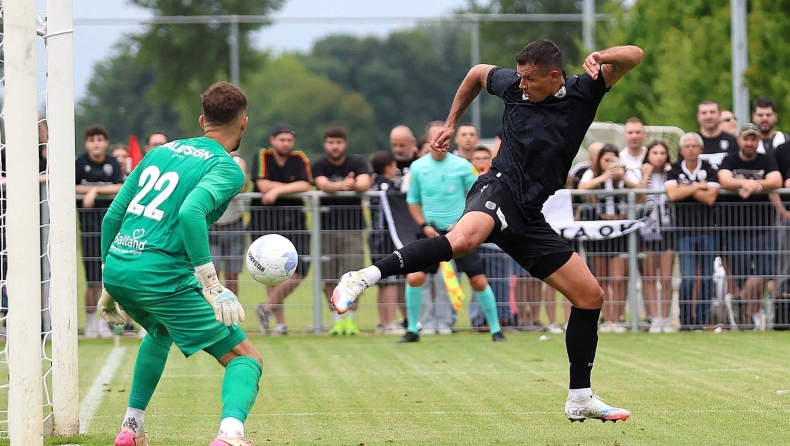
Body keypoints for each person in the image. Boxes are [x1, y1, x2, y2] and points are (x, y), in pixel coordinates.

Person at [332, 39, 642, 421]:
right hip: (497, 187)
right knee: (462, 241)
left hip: (529, 215)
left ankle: (580, 397)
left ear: (554, 76)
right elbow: (478, 74)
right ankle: (362, 277)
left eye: (529, 79)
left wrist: (603, 56)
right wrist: (450, 123)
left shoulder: (583, 90)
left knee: (590, 297)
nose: (521, 85)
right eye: (519, 77)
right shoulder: (514, 85)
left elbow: (635, 55)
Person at [99, 82, 261, 446]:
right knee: (246, 359)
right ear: (244, 123)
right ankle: (230, 435)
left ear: (203, 120)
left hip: (120, 264)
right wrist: (212, 285)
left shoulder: (161, 151)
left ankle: (131, 428)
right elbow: (191, 213)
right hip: (160, 275)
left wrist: (109, 281)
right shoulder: (227, 168)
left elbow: (112, 217)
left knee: (160, 331)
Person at [397, 145, 505, 342]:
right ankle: (412, 330)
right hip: (429, 232)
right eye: (436, 139)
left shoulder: (463, 166)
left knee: (478, 281)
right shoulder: (417, 167)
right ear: (430, 142)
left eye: (444, 140)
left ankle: (496, 330)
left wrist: (462, 221)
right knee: (414, 277)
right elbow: (412, 200)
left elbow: (478, 195)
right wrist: (423, 225)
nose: (440, 144)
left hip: (460, 231)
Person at [718, 123, 783, 330]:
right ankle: (748, 319)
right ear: (739, 140)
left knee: (766, 271)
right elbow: (724, 180)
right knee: (741, 274)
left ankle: (739, 300)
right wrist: (745, 183)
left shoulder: (766, 159)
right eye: (746, 138)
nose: (749, 143)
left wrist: (756, 185)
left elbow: (776, 180)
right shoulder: (729, 159)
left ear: (758, 141)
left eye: (753, 139)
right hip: (735, 228)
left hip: (763, 226)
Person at [249, 125, 312, 336]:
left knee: (302, 267)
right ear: (273, 140)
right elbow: (262, 184)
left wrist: (276, 190)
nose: (286, 144)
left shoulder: (299, 158)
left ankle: (266, 308)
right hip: (265, 221)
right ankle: (280, 324)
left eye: (289, 140)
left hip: (295, 222)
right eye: (282, 140)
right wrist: (284, 188)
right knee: (271, 271)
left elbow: (305, 184)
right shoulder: (262, 155)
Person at [312, 126, 372, 335]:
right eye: (331, 142)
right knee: (329, 278)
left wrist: (349, 185)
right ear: (325, 144)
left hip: (353, 229)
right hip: (325, 230)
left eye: (338, 142)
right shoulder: (319, 165)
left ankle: (351, 321)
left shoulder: (357, 162)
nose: (335, 146)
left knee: (354, 277)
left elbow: (364, 184)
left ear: (345, 144)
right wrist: (345, 185)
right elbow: (322, 185)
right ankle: (337, 320)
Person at [665, 132, 720, 330]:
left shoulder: (710, 168)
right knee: (688, 277)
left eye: (694, 146)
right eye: (686, 146)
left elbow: (710, 198)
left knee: (706, 277)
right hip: (684, 232)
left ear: (700, 149)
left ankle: (701, 321)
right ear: (681, 150)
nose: (690, 149)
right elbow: (673, 195)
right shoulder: (673, 169)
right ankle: (686, 320)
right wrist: (698, 186)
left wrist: (686, 188)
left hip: (708, 230)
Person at [76, 125, 124, 338]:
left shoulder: (112, 163)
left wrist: (94, 190)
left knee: (109, 278)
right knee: (92, 280)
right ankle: (89, 323)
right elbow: (70, 186)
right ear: (86, 143)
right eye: (91, 140)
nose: (96, 143)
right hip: (88, 229)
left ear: (106, 143)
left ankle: (105, 322)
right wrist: (89, 191)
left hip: (112, 230)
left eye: (100, 139)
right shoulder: (80, 163)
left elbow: (120, 186)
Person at [578, 144, 628, 333]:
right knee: (601, 278)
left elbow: (640, 191)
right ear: (599, 161)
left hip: (621, 232)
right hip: (598, 232)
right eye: (606, 160)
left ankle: (618, 318)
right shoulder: (592, 174)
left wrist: (622, 177)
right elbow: (582, 188)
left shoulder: (626, 175)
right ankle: (607, 319)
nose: (610, 164)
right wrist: (605, 176)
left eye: (613, 160)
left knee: (618, 278)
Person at [629, 140, 676, 333]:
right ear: (648, 155)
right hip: (646, 229)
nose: (659, 156)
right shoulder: (638, 173)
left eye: (662, 153)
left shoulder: (671, 174)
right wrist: (646, 174)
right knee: (648, 276)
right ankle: (653, 317)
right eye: (655, 153)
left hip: (667, 229)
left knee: (665, 277)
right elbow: (639, 198)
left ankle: (665, 318)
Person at [696, 99, 738, 167]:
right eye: (704, 113)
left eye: (712, 112)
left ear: (719, 114)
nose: (708, 116)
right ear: (698, 116)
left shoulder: (734, 142)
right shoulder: (691, 143)